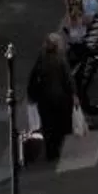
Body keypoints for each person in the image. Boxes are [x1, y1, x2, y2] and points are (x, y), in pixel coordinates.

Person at [28, 33, 77, 164]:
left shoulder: (41, 59)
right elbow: (68, 79)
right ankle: (56, 148)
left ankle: (50, 150)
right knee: (59, 125)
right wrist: (74, 94)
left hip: (44, 99)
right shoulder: (60, 59)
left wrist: (32, 95)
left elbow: (33, 78)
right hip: (60, 98)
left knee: (48, 125)